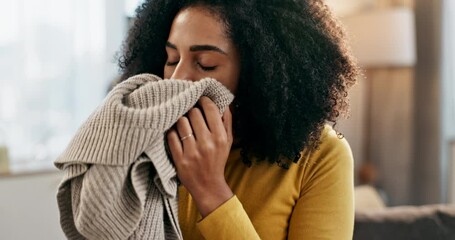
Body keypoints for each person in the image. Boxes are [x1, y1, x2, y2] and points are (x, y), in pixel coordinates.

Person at [118, 0, 358, 239]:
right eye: (171, 60)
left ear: (260, 72)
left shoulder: (322, 156)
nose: (176, 79)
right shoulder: (144, 144)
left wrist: (211, 190)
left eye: (205, 64)